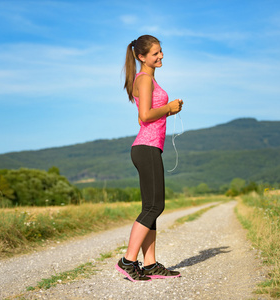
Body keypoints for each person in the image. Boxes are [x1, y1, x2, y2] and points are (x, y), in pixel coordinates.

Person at [115, 35, 183, 282]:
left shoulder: (146, 79)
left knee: (150, 208)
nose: (161, 56)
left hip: (148, 146)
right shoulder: (144, 79)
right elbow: (145, 116)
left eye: (161, 51)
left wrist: (166, 109)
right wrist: (169, 108)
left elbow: (140, 117)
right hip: (146, 147)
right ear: (141, 57)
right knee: (155, 206)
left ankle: (150, 263)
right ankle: (128, 261)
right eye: (156, 53)